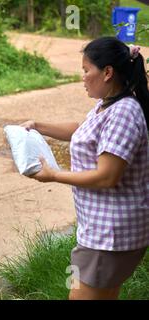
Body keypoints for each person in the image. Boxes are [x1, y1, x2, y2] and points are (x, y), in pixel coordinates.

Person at [21, 37, 149, 300]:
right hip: (105, 232)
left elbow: (107, 177)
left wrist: (53, 175)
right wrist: (38, 126)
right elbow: (82, 130)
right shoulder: (109, 104)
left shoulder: (124, 112)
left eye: (86, 70)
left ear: (107, 72)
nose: (82, 77)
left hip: (110, 236)